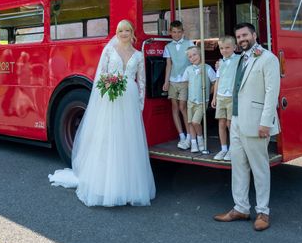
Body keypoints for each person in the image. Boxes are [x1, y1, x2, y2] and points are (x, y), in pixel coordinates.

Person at [48, 19, 156, 207]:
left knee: (127, 141)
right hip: (111, 99)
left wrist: (139, 106)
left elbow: (142, 82)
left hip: (129, 101)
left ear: (132, 33)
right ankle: (106, 185)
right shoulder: (109, 51)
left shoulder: (138, 55)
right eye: (120, 30)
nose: (123, 33)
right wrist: (105, 91)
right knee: (109, 138)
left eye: (127, 30)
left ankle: (127, 187)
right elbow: (101, 75)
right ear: (117, 33)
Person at [213, 22, 280, 231]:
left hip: (256, 122)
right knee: (238, 166)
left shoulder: (268, 58)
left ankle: (263, 212)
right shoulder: (240, 58)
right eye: (238, 36)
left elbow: (272, 93)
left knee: (259, 169)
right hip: (237, 121)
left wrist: (265, 122)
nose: (241, 39)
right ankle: (241, 207)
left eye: (244, 35)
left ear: (254, 35)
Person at [162, 20, 194, 150]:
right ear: (170, 32)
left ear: (183, 32)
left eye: (179, 32)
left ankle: (189, 136)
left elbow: (194, 61)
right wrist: (166, 81)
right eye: (174, 32)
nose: (176, 34)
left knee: (183, 107)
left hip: (185, 80)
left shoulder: (189, 44)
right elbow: (169, 65)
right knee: (174, 108)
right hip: (173, 80)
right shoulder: (168, 47)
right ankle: (181, 136)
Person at [181, 46, 217, 153]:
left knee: (195, 122)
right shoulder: (188, 69)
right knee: (190, 122)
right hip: (191, 101)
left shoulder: (207, 68)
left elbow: (215, 82)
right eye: (190, 56)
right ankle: (193, 143)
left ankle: (200, 139)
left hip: (202, 101)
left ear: (200, 54)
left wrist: (208, 93)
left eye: (195, 55)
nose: (192, 57)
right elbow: (186, 83)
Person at [211, 35, 240, 161]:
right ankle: (223, 149)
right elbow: (218, 80)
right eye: (221, 48)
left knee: (230, 124)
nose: (224, 50)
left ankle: (233, 149)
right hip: (221, 96)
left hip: (232, 97)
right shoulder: (220, 62)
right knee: (221, 123)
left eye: (227, 47)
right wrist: (214, 97)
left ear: (235, 47)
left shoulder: (239, 59)